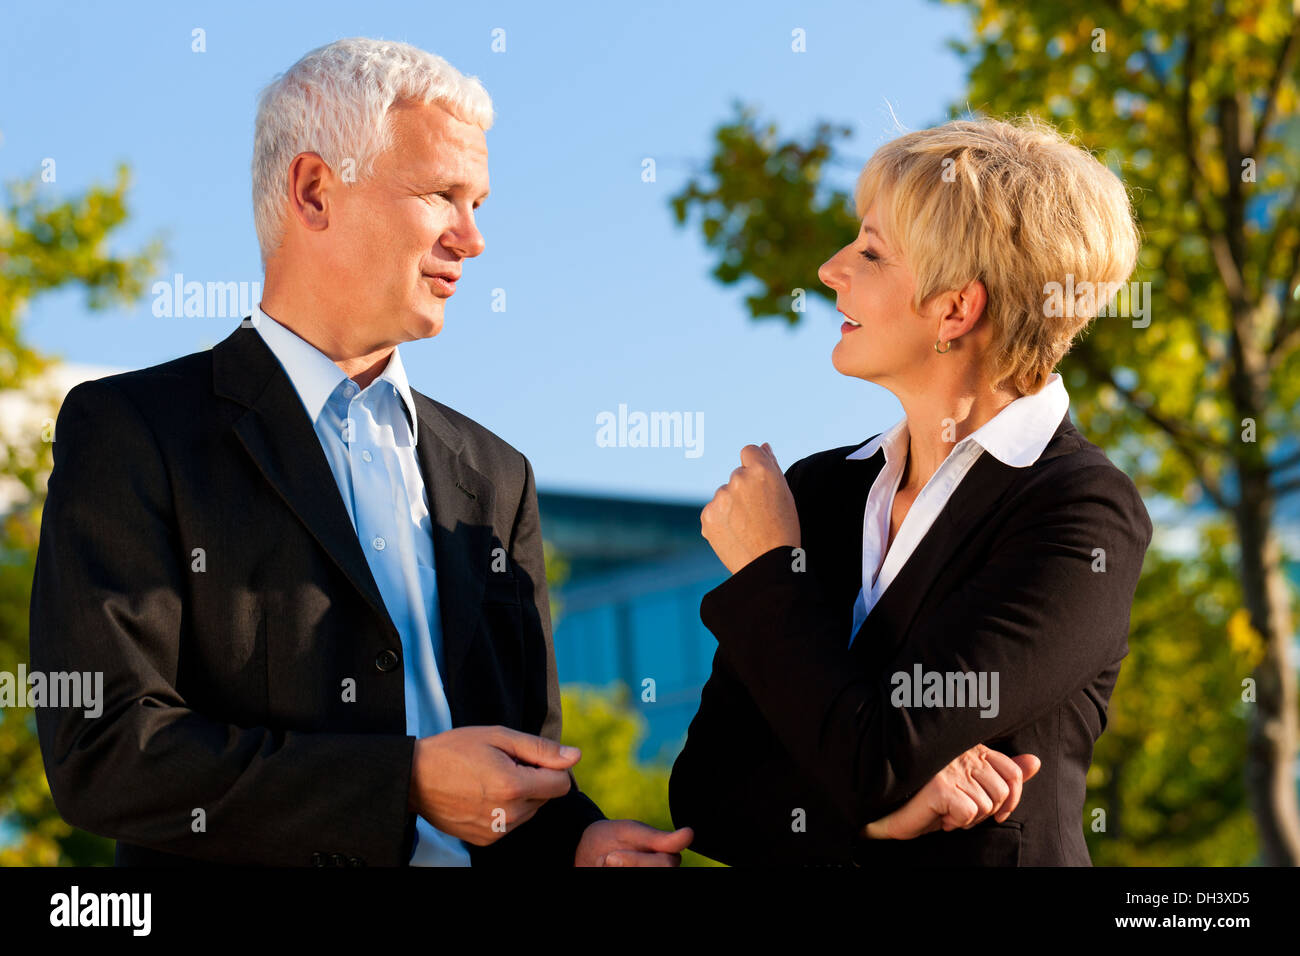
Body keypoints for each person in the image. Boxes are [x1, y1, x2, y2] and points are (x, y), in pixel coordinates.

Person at [30, 37, 690, 867]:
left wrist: (578, 841)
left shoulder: (497, 475)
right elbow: (109, 754)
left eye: (479, 202)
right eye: (444, 195)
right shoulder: (133, 429)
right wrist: (402, 781)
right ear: (314, 191)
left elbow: (516, 764)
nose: (473, 238)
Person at [669, 115, 1153, 866]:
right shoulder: (820, 490)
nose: (833, 269)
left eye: (870, 251)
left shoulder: (1081, 513)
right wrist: (870, 821)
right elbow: (707, 791)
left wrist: (768, 572)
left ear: (955, 309)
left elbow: (878, 758)